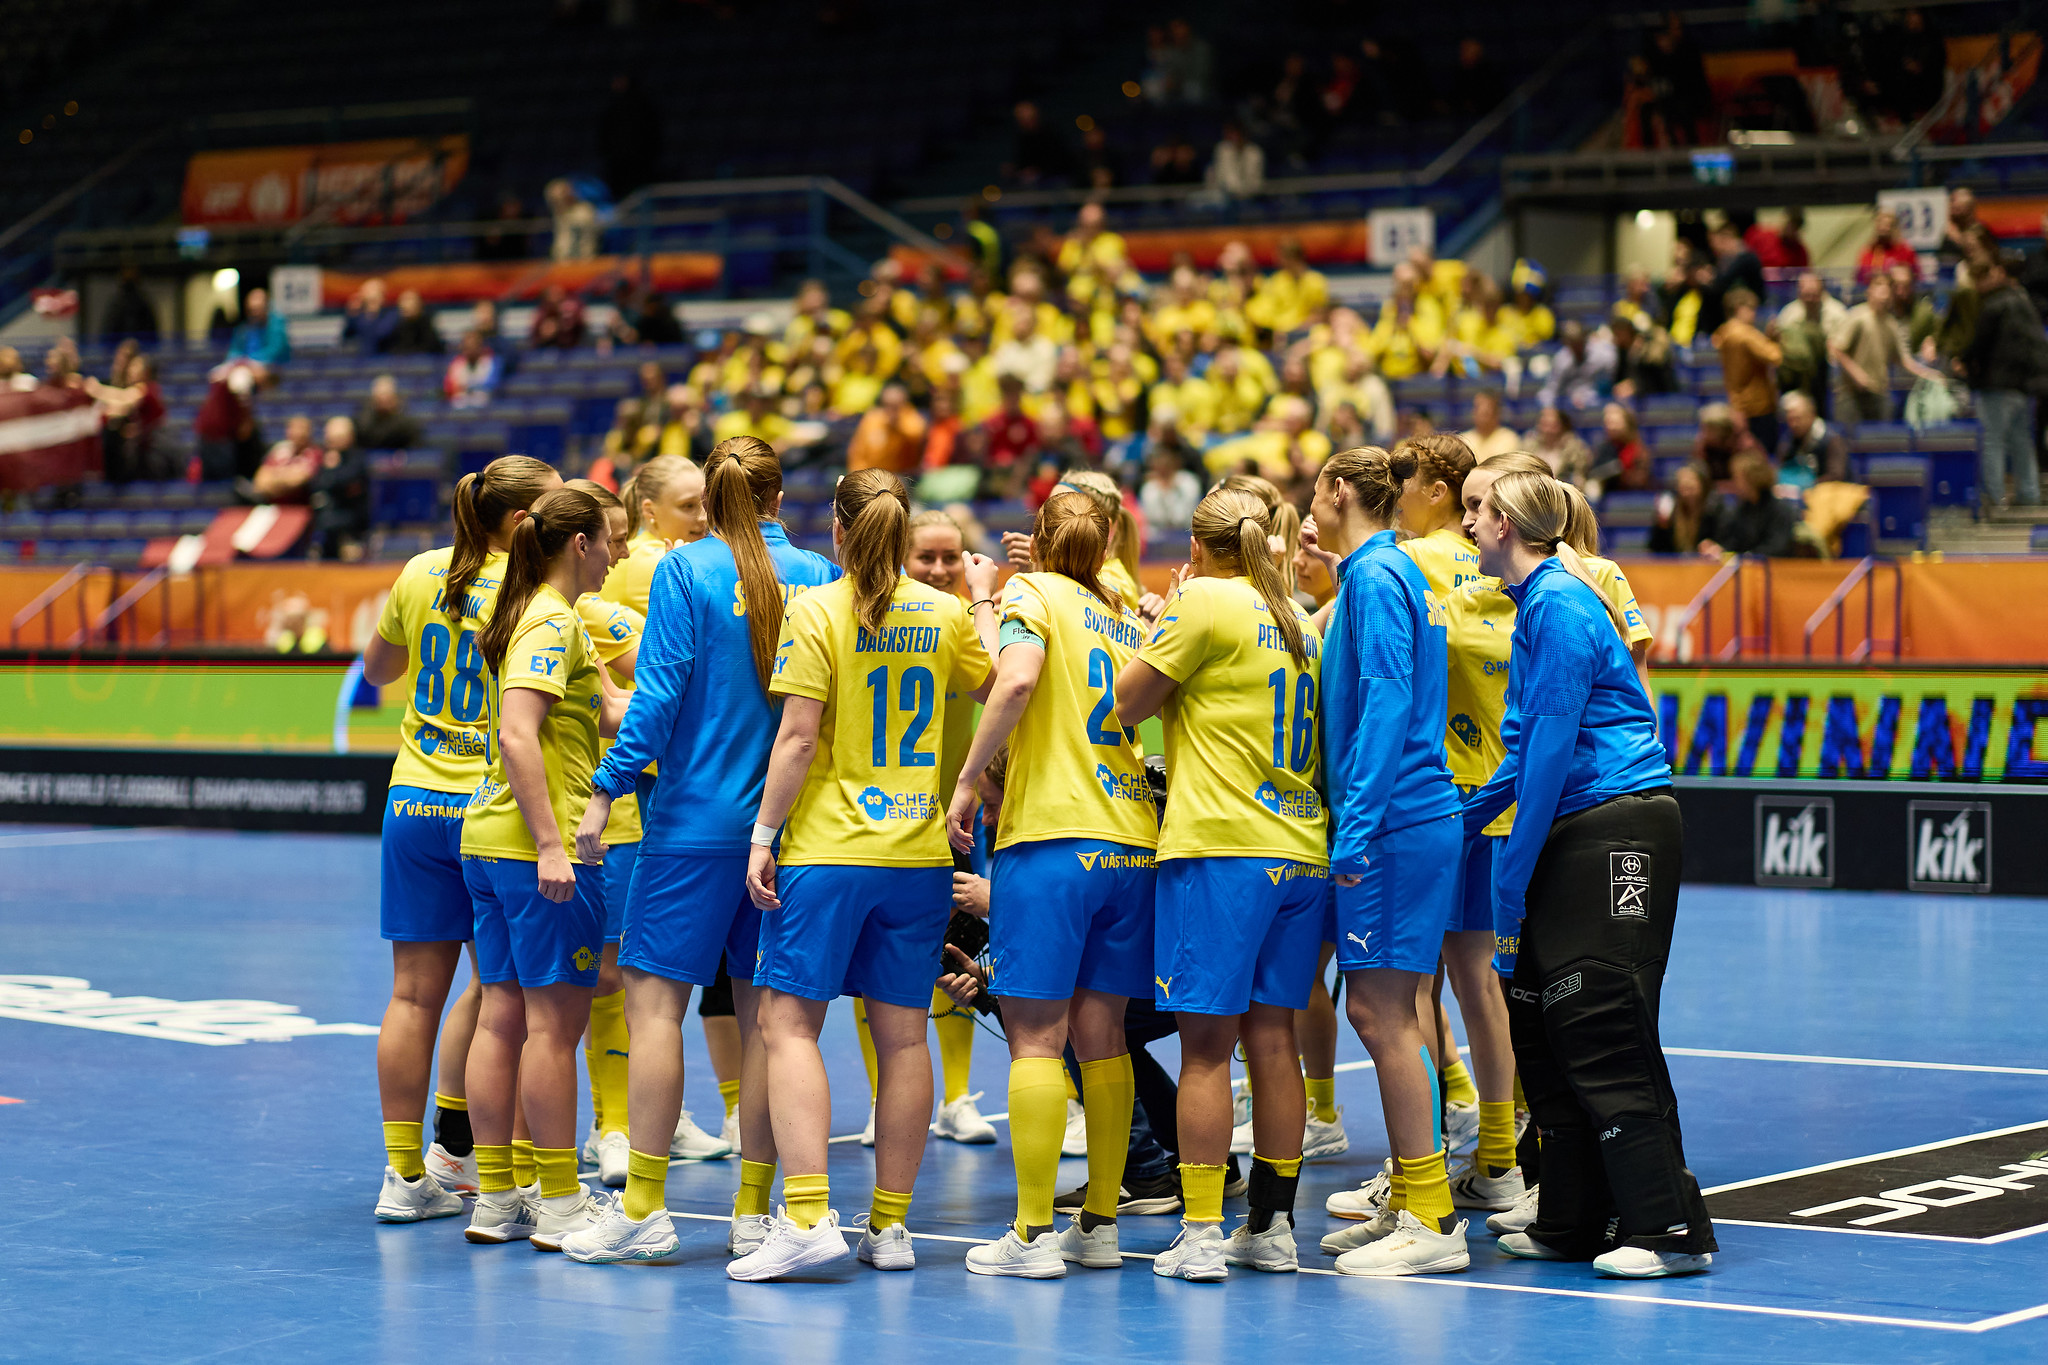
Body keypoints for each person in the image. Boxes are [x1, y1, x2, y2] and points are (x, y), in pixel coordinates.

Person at [562, 437, 844, 1265]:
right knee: (768, 1022)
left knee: (655, 1009)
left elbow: (656, 698)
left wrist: (607, 785)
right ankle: (754, 1213)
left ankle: (644, 1207)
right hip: (789, 830)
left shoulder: (685, 570)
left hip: (693, 824)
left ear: (711, 502)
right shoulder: (822, 575)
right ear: (779, 497)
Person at [734, 470, 994, 1281]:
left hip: (829, 851)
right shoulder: (944, 612)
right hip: (919, 855)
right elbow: (998, 688)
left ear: (840, 532)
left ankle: (808, 1214)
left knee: (788, 1024)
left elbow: (797, 739)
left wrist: (763, 835)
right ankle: (891, 1225)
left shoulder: (816, 609)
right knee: (906, 1035)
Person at [1460, 469, 1716, 1277]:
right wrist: (1457, 820)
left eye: (1478, 510)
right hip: (1577, 827)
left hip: (1616, 824)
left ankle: (1668, 1227)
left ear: (1508, 524)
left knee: (1602, 1017)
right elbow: (1524, 751)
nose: (1468, 524)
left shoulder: (1562, 605)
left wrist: (1507, 880)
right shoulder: (1534, 606)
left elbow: (1548, 757)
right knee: (1542, 1021)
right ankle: (1573, 1217)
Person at [1109, 487, 1325, 1280]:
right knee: (1273, 1039)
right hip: (1300, 847)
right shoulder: (1298, 616)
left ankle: (1201, 1230)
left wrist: (1157, 620)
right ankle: (1272, 1226)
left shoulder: (1200, 601)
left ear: (1198, 548)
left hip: (1221, 848)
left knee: (1205, 1047)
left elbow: (1124, 705)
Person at [944, 489, 1156, 1280]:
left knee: (1036, 1035)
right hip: (1129, 837)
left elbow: (1015, 679)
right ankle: (1099, 1223)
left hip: (1054, 832)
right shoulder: (1120, 612)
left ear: (1038, 541)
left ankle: (1032, 1233)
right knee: (1103, 1033)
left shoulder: (1033, 592)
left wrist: (967, 778)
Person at [359, 454, 563, 1225]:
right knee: (512, 999)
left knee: (414, 995)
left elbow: (379, 668)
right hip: (492, 811)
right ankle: (518, 1181)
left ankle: (405, 1174)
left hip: (413, 800)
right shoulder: (534, 590)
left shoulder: (420, 572)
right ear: (521, 521)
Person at [1307, 444, 1468, 1276]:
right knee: (1389, 1009)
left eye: (1315, 490)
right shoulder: (1391, 570)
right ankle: (1411, 1191)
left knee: (1382, 1015)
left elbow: (1389, 700)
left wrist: (1357, 825)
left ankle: (1432, 1215)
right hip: (1408, 815)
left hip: (1395, 819)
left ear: (1340, 491)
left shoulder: (1373, 575)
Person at [458, 485, 626, 1251]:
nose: (617, 554)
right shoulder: (551, 620)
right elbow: (518, 732)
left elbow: (610, 711)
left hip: (490, 844)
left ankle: (498, 1196)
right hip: (535, 852)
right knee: (553, 1029)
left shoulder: (541, 613)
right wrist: (554, 844)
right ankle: (559, 1200)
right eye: (609, 540)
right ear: (580, 544)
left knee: (502, 1015)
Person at [1383, 436, 1523, 1214]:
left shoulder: (1412, 566)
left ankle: (1427, 1167)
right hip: (1498, 798)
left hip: (1455, 803)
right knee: (1478, 984)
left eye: (1403, 482)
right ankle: (1493, 1152)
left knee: (1424, 988)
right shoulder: (1511, 569)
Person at [1958, 249, 2048, 510]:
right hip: (2022, 387)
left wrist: (1963, 362)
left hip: (1996, 386)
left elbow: (1978, 346)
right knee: (2022, 441)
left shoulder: (1993, 305)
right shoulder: (2025, 301)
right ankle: (2029, 494)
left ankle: (1995, 497)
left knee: (1993, 441)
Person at [600, 455, 708, 613]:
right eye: (688, 506)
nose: (703, 517)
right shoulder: (654, 561)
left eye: (705, 502)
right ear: (650, 511)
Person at [1711, 289, 1783, 453]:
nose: (1754, 314)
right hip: (1757, 405)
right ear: (1739, 308)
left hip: (1738, 403)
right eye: (1751, 309)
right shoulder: (1745, 334)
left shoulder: (1724, 332)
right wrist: (1775, 341)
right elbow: (1775, 356)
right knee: (1763, 454)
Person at [1707, 452, 1801, 557]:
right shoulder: (1742, 508)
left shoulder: (1780, 510)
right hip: (1746, 565)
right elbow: (1734, 542)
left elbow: (1777, 548)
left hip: (1774, 565)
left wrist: (1747, 557)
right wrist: (1720, 549)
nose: (1734, 483)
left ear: (1751, 479)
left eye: (1737, 478)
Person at [307, 416, 371, 560]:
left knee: (329, 524)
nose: (332, 443)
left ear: (349, 437)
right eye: (330, 439)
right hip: (325, 513)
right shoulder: (324, 457)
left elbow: (344, 480)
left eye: (337, 438)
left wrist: (332, 470)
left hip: (351, 515)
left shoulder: (357, 458)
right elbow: (317, 484)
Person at [847, 382, 929, 474]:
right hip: (871, 474)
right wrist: (859, 475)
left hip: (900, 475)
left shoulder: (913, 420)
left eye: (895, 406)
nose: (890, 410)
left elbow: (917, 442)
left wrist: (897, 425)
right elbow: (857, 452)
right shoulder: (872, 418)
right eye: (887, 405)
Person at [1776, 391, 1850, 488]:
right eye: (1790, 419)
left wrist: (1808, 486)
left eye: (1798, 419)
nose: (1794, 424)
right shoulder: (1788, 441)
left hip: (1831, 493)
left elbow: (1836, 476)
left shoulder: (1832, 439)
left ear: (1811, 415)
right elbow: (1781, 469)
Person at [1649, 461, 1724, 555]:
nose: (1686, 485)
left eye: (1691, 482)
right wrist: (1661, 527)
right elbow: (1656, 549)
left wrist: (1715, 547)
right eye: (1682, 483)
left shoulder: (1714, 510)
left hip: (1705, 562)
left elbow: (1726, 544)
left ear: (1702, 484)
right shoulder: (1670, 511)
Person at [250, 414, 321, 504]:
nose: (297, 433)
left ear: (309, 432)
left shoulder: (314, 453)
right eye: (293, 428)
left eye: (301, 428)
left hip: (299, 506)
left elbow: (298, 481)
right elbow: (259, 482)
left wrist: (275, 475)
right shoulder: (279, 450)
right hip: (272, 505)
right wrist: (287, 475)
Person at [225, 288, 290, 370]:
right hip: (244, 364)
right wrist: (236, 361)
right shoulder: (243, 328)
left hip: (270, 365)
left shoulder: (276, 324)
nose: (255, 313)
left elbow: (275, 350)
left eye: (258, 309)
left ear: (266, 307)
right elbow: (234, 350)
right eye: (251, 310)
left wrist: (249, 360)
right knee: (217, 374)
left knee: (241, 376)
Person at [356, 375, 424, 451]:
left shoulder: (408, 424)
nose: (383, 401)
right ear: (373, 399)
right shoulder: (363, 423)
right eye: (380, 398)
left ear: (395, 398)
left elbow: (415, 447)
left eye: (387, 397)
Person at [1528, 406, 1592, 486]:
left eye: (1552, 425)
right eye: (1544, 424)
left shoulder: (1575, 448)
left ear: (1562, 426)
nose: (1547, 430)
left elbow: (1580, 475)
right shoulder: (1530, 445)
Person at [1857, 208, 1920, 283]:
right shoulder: (1868, 250)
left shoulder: (1905, 250)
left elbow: (1916, 276)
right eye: (1880, 224)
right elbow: (1860, 278)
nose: (1883, 229)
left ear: (1894, 227)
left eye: (1888, 225)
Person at [445, 330, 500, 408]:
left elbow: (492, 384)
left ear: (480, 346)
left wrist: (469, 387)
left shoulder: (491, 362)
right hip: (460, 404)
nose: (470, 350)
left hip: (485, 404)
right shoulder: (456, 364)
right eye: (467, 347)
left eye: (474, 346)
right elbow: (450, 387)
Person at [1459, 390, 1519, 462]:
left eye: (1487, 410)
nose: (1481, 412)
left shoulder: (1509, 439)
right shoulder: (1463, 441)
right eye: (1478, 408)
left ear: (1497, 412)